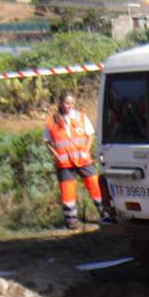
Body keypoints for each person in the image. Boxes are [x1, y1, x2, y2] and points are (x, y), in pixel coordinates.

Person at [44, 92, 110, 229]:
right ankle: (71, 220)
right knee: (67, 191)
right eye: (67, 103)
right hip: (64, 162)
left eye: (72, 103)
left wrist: (86, 150)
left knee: (94, 184)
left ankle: (105, 213)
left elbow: (90, 135)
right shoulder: (52, 120)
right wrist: (55, 154)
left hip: (83, 159)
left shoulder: (81, 117)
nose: (70, 106)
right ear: (61, 103)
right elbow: (47, 141)